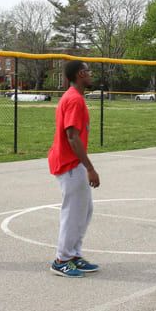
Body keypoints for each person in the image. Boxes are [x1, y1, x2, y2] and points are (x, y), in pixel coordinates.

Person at [48, 60, 100, 278]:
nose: (90, 74)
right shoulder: (74, 100)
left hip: (73, 162)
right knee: (73, 213)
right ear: (80, 74)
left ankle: (74, 255)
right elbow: (72, 135)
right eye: (88, 71)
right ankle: (62, 259)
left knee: (84, 211)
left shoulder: (74, 97)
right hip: (70, 163)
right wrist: (90, 167)